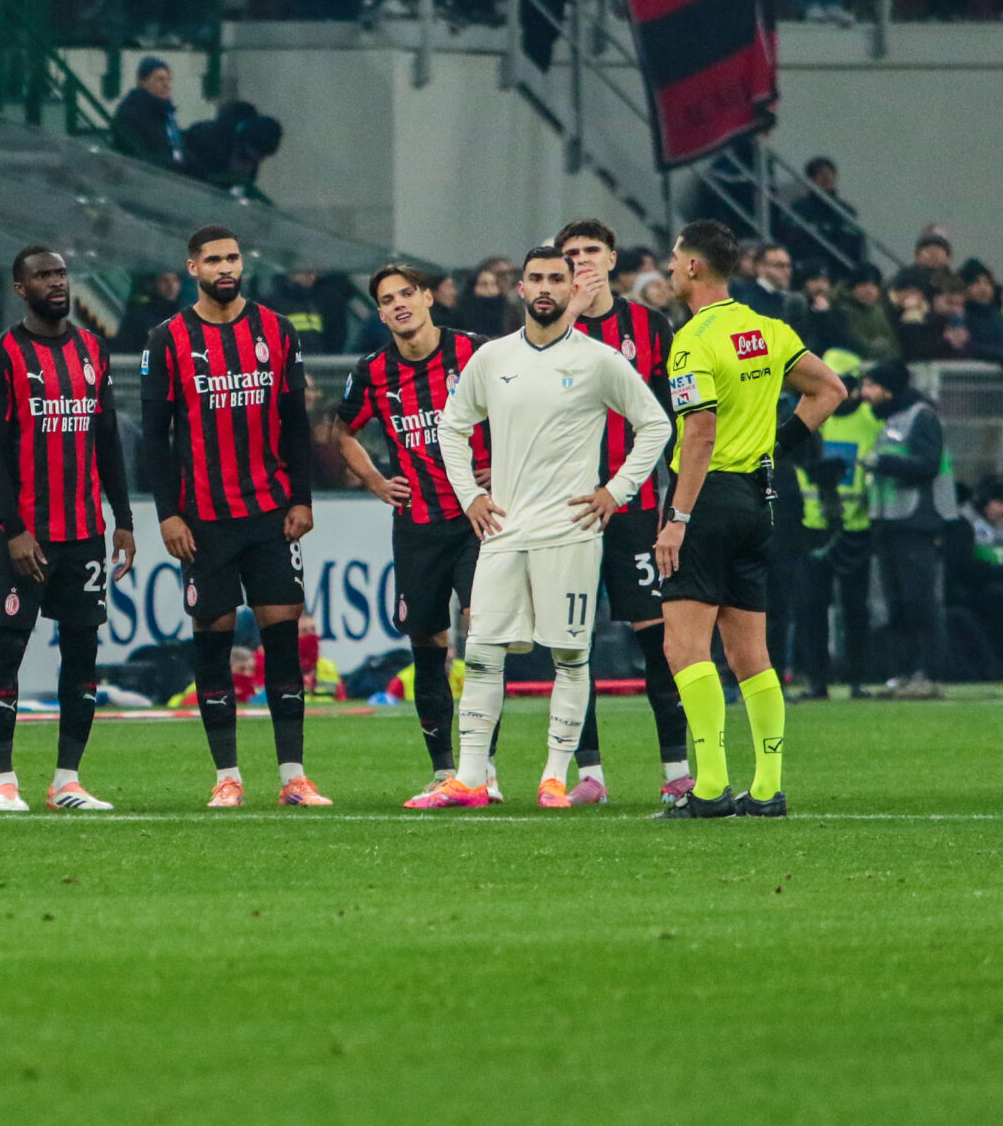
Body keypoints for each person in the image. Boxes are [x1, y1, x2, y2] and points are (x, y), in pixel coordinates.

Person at [415, 247, 670, 810]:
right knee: (482, 652)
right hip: (502, 531)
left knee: (570, 657)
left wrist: (615, 491)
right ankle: (472, 777)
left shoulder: (598, 359)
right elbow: (451, 429)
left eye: (558, 277)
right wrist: (471, 497)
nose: (547, 287)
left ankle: (554, 777)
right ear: (522, 290)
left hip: (570, 531)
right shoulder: (493, 358)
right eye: (537, 279)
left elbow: (654, 424)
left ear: (569, 287)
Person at [654, 220, 848, 818]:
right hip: (759, 503)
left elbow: (701, 433)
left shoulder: (691, 340)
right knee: (751, 655)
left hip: (706, 500)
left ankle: (709, 787)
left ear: (692, 267)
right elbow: (830, 390)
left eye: (673, 259)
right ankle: (766, 788)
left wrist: (678, 516)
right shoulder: (768, 330)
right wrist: (776, 447)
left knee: (684, 649)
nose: (667, 268)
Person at [143, 226, 325, 809]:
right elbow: (155, 437)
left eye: (233, 258)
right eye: (214, 259)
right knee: (212, 644)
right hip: (204, 521)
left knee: (282, 641)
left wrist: (303, 499)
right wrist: (167, 513)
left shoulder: (277, 330)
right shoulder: (167, 339)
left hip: (271, 513)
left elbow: (296, 424)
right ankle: (228, 775)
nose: (226, 267)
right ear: (192, 266)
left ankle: (294, 776)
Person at [0, 245, 135, 814]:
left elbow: (107, 439)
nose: (56, 283)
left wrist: (124, 520)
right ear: (22, 289)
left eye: (61, 273)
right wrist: (14, 528)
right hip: (29, 536)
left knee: (83, 653)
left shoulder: (93, 349)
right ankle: (4, 780)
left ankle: (66, 780)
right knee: (9, 647)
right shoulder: (1, 356)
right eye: (43, 276)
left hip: (85, 533)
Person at [557, 217, 694, 803]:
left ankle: (676, 769)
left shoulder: (651, 326)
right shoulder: (545, 331)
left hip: (636, 508)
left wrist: (676, 504)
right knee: (572, 644)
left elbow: (673, 419)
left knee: (656, 638)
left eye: (592, 251)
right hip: (567, 510)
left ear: (613, 260)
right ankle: (590, 775)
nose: (582, 261)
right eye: (571, 255)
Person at [335, 264, 484, 796]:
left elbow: (519, 409)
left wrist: (505, 465)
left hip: (476, 519)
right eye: (387, 299)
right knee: (427, 642)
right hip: (417, 523)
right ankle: (445, 767)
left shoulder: (474, 353)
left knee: (480, 631)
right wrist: (376, 481)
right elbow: (341, 430)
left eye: (406, 294)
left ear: (426, 298)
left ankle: (480, 766)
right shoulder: (374, 370)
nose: (399, 304)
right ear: (379, 313)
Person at [862, 358, 956, 699]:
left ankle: (927, 673)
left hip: (916, 522)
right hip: (890, 523)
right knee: (898, 603)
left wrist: (884, 463)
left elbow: (928, 465)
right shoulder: (891, 421)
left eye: (871, 386)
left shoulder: (922, 417)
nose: (865, 393)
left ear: (889, 389)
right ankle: (904, 673)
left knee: (920, 602)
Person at [792, 348, 880, 700]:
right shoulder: (812, 415)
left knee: (855, 610)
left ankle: (856, 678)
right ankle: (818, 681)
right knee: (813, 608)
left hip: (857, 529)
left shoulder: (873, 421)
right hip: (814, 527)